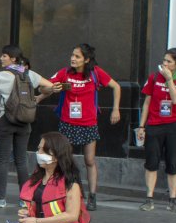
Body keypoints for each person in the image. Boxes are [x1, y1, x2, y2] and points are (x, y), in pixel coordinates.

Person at [0, 46, 57, 208]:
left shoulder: (1, 76)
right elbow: (51, 86)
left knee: (2, 160)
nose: (1, 58)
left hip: (5, 121)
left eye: (4, 56)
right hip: (25, 121)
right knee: (21, 160)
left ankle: (1, 199)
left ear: (13, 59)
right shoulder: (30, 74)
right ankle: (24, 199)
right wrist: (39, 97)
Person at [41, 44, 121, 211]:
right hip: (67, 123)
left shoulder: (95, 73)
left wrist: (116, 109)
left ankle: (92, 196)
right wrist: (50, 88)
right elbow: (44, 87)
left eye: (77, 56)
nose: (73, 59)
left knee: (89, 160)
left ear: (86, 59)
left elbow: (116, 87)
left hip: (88, 123)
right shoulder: (65, 73)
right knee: (64, 159)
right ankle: (65, 192)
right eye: (72, 55)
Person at [135, 48, 176, 212]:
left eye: (169, 61)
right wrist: (141, 126)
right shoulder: (154, 77)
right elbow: (146, 103)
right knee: (151, 162)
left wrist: (169, 80)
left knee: (173, 162)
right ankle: (149, 198)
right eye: (164, 60)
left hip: (175, 125)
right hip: (155, 124)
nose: (164, 64)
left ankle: (172, 199)